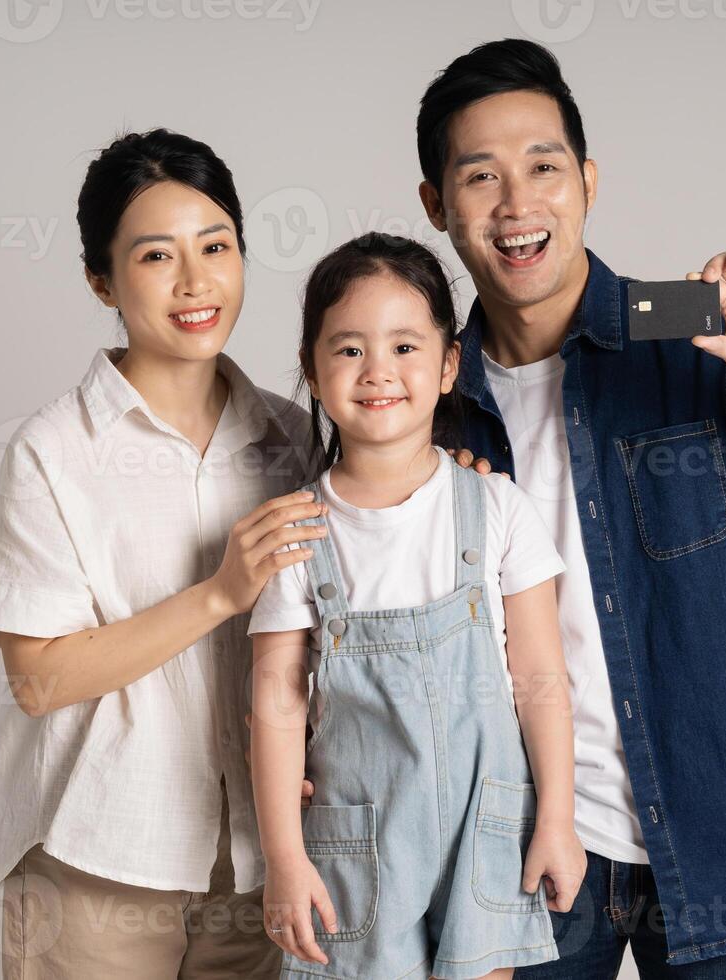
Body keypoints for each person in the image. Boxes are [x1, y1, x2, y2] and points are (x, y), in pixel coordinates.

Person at [408, 39, 726, 978]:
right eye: (480, 176)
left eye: (543, 167)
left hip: (720, 839)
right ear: (437, 206)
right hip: (522, 856)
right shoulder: (418, 396)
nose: (517, 204)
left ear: (588, 180)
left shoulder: (689, 326)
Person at [0, 128, 327, 979]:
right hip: (98, 856)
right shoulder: (52, 451)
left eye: (216, 246)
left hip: (255, 856)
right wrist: (217, 593)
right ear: (101, 280)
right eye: (155, 256)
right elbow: (39, 677)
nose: (195, 281)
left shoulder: (294, 436)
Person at [248, 233, 588, 980]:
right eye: (347, 350)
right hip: (355, 843)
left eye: (405, 347)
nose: (378, 372)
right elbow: (274, 701)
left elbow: (538, 674)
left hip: (484, 827)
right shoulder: (296, 531)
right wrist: (283, 857)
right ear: (310, 366)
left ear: (447, 365)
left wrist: (556, 818)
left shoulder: (496, 507)